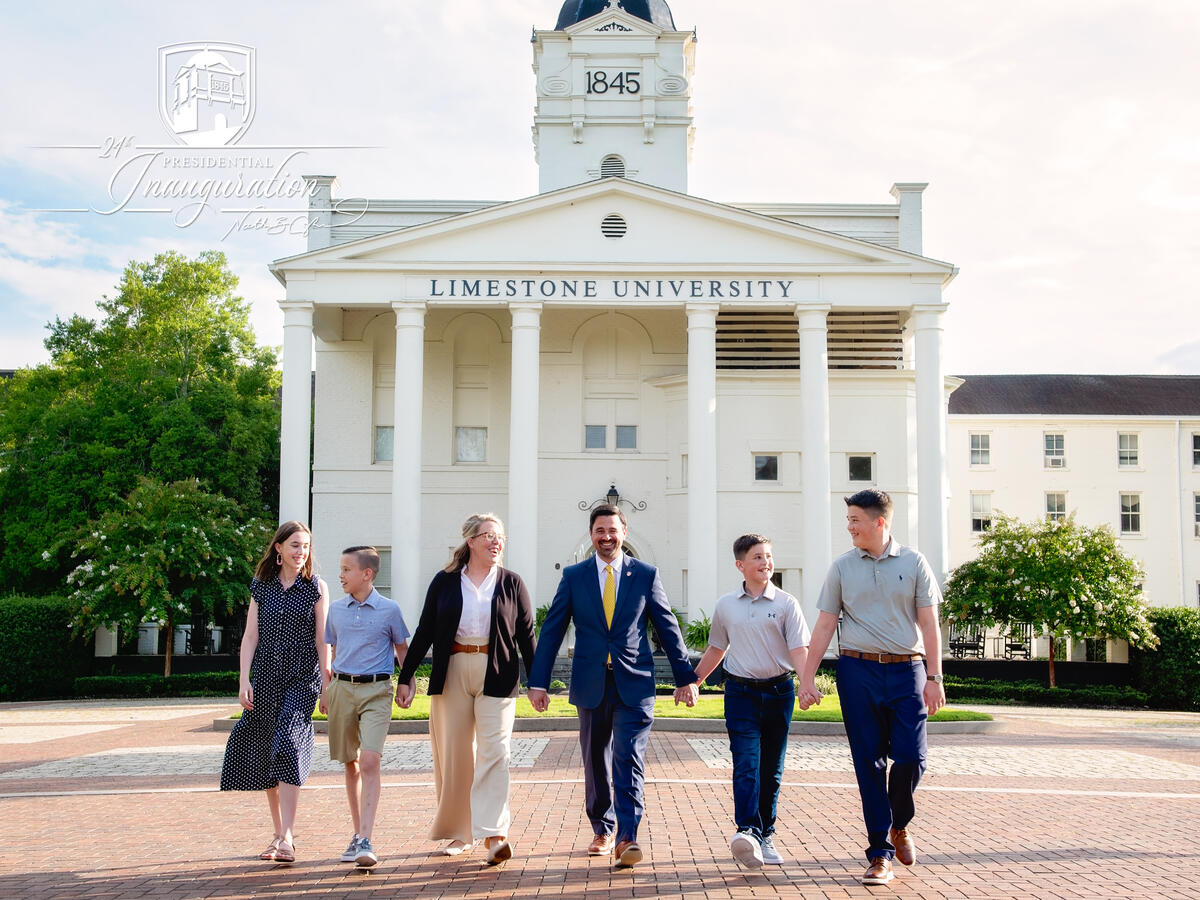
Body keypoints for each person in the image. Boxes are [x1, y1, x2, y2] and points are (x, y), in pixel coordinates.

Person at [527, 504, 699, 868]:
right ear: (592, 535)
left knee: (628, 757)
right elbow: (553, 629)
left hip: (634, 684)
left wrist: (686, 678)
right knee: (594, 759)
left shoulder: (646, 575)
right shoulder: (574, 576)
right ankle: (602, 827)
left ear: (624, 532)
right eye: (599, 531)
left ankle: (627, 836)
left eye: (613, 530)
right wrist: (538, 681)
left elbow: (666, 626)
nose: (606, 537)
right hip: (591, 682)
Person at [797, 489, 946, 887]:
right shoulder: (842, 567)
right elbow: (825, 625)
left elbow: (930, 624)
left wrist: (934, 678)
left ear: (880, 522)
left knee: (912, 758)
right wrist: (807, 678)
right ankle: (879, 852)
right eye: (847, 520)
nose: (849, 527)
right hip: (857, 671)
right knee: (869, 763)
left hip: (908, 671)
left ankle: (900, 824)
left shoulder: (914, 562)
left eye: (854, 520)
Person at [395, 514, 536, 865]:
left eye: (500, 536)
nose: (495, 542)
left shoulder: (512, 583)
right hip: (454, 670)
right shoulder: (444, 582)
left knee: (496, 753)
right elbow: (425, 629)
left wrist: (539, 682)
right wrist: (406, 675)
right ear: (470, 541)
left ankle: (494, 834)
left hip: (498, 672)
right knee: (456, 756)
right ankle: (461, 832)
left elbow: (527, 636)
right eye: (488, 535)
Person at [689, 534, 812, 869]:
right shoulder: (726, 605)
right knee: (746, 764)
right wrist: (694, 681)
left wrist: (807, 683)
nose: (766, 562)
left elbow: (799, 649)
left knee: (771, 769)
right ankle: (747, 830)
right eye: (758, 557)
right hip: (740, 694)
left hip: (779, 693)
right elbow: (717, 648)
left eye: (769, 556)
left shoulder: (787, 603)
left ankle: (765, 834)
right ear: (740, 565)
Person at [220, 521, 331, 865]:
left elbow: (322, 638)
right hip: (266, 677)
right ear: (279, 548)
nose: (302, 552)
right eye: (295, 545)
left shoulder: (316, 587)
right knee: (268, 750)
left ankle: (287, 836)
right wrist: (244, 679)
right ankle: (280, 832)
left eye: (307, 546)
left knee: (288, 743)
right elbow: (250, 637)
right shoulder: (261, 587)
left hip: (302, 677)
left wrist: (327, 686)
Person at [322, 546, 410, 868]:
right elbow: (330, 649)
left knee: (370, 760)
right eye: (341, 568)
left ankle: (366, 840)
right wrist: (325, 689)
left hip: (377, 690)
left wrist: (407, 681)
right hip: (342, 689)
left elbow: (402, 648)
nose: (341, 575)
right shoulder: (336, 609)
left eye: (346, 569)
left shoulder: (390, 610)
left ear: (367, 574)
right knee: (351, 764)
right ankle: (358, 833)